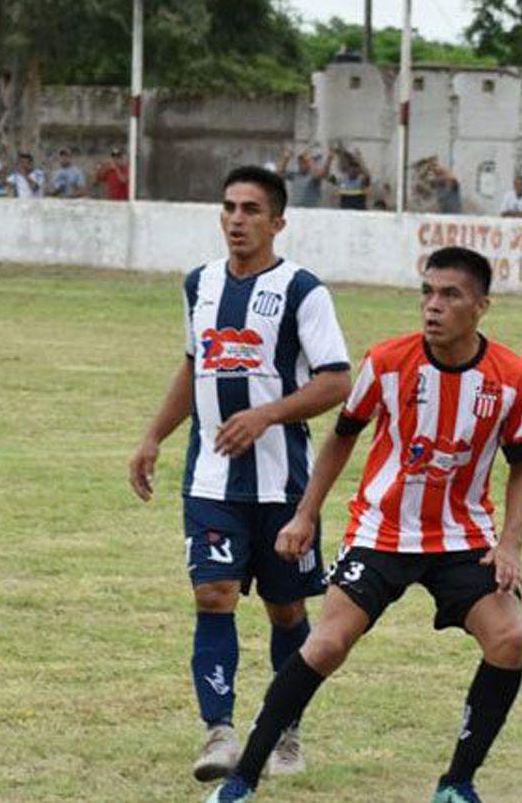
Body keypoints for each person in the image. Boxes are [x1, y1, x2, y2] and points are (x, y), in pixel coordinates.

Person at [207, 247, 522, 803]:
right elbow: (343, 436)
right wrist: (306, 513)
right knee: (328, 643)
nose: (433, 306)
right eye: (427, 292)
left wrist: (510, 543)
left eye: (450, 295)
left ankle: (456, 785)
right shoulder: (386, 362)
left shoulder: (513, 378)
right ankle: (243, 779)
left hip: (464, 538)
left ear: (481, 306)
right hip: (381, 531)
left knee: (509, 638)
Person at [129, 165, 351, 783]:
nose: (236, 219)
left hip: (283, 486)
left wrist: (267, 415)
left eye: (252, 209)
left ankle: (284, 732)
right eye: (229, 207)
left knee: (286, 611)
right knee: (213, 595)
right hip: (211, 481)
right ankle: (220, 733)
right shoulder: (198, 285)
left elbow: (337, 380)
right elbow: (192, 365)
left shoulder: (304, 290)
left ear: (278, 222)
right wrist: (153, 437)